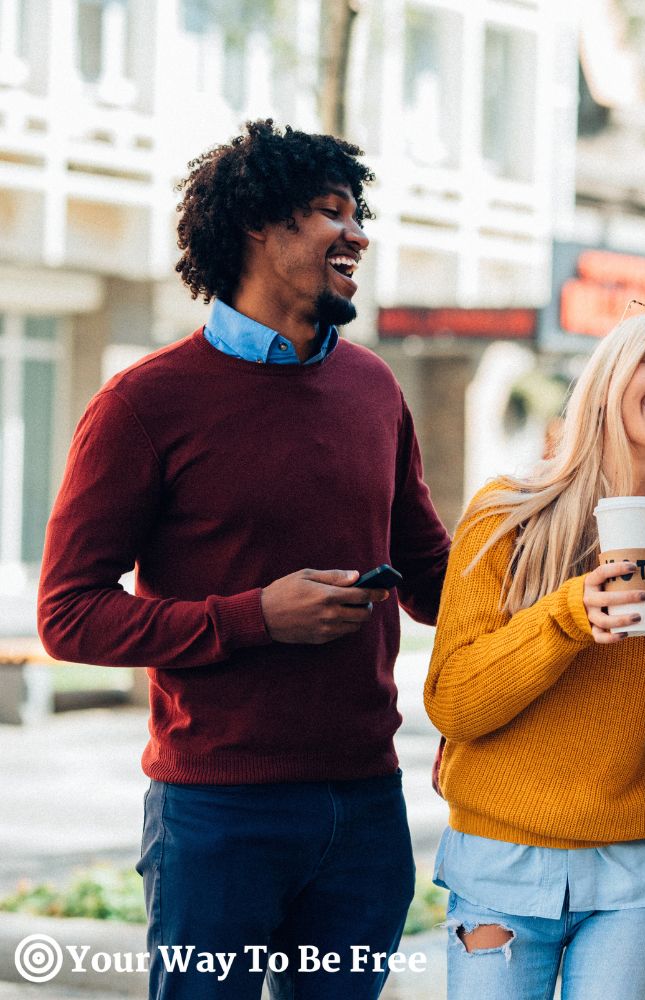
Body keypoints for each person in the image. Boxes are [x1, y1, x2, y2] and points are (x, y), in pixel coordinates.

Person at [36, 120, 452, 999]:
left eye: (358, 214)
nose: (358, 235)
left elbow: (435, 580)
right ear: (259, 226)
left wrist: (561, 561)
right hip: (219, 813)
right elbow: (68, 613)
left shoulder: (374, 387)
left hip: (369, 809)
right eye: (330, 213)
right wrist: (256, 616)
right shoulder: (144, 404)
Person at [424, 310, 645, 1000]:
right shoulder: (508, 514)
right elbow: (453, 701)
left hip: (635, 872)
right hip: (498, 866)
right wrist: (567, 616)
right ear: (611, 373)